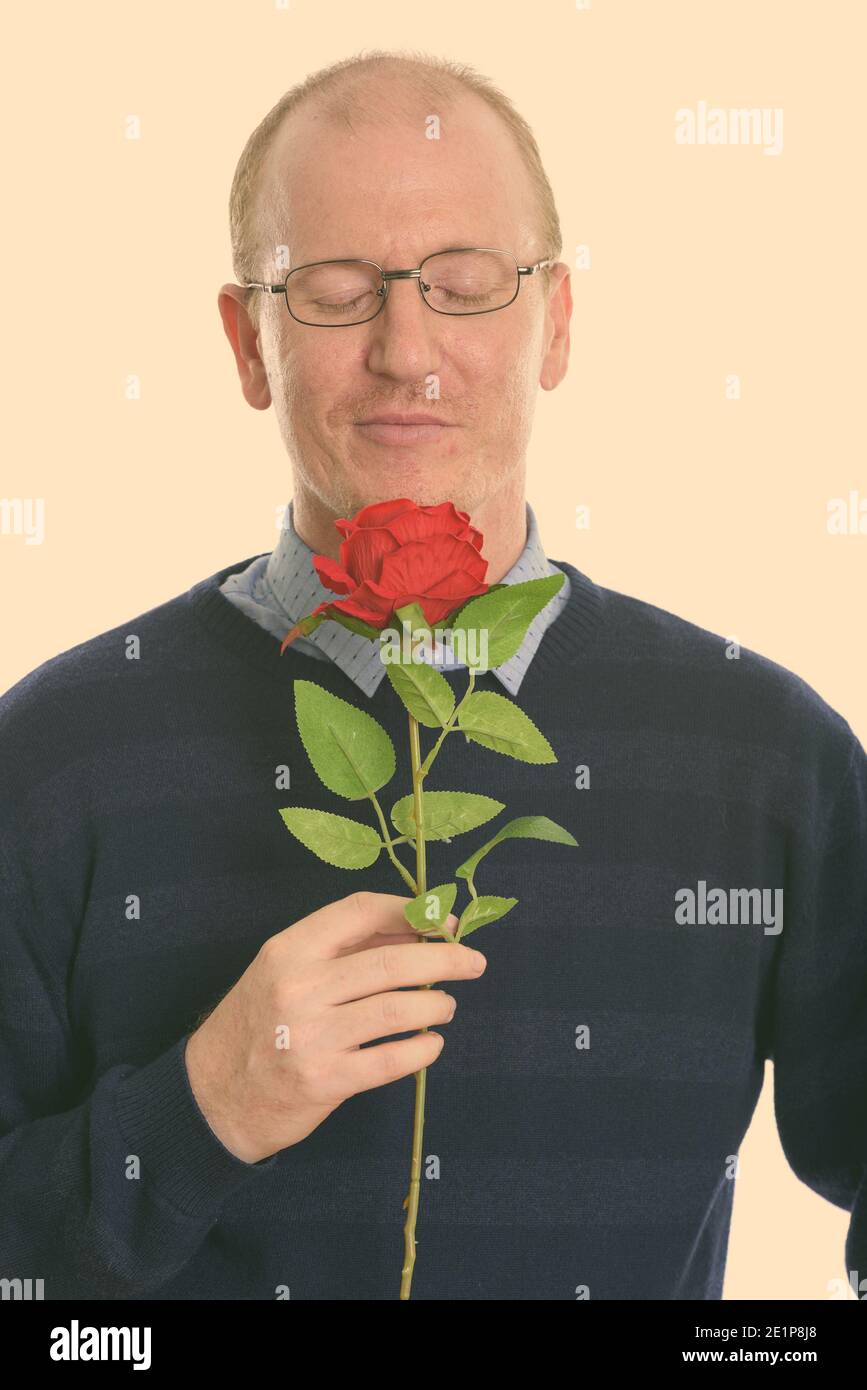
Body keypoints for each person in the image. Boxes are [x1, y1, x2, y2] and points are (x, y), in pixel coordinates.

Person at [1, 50, 864, 1302]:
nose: (409, 352)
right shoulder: (50, 761)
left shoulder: (770, 757)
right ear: (248, 343)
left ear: (556, 323)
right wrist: (199, 1109)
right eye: (338, 292)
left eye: (465, 285)